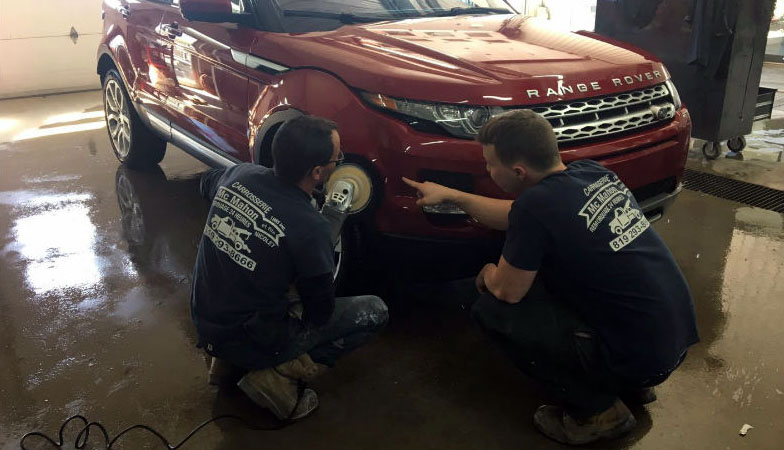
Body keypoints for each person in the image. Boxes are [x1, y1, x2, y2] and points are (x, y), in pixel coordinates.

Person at [403, 109, 698, 445]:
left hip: (643, 358)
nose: (487, 169)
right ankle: (630, 382)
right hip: (671, 340)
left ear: (517, 171)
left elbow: (507, 292)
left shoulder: (536, 206)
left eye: (490, 164)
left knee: (493, 311)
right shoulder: (590, 174)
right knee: (558, 280)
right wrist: (453, 195)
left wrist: (487, 273)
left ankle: (598, 413)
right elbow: (514, 215)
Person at [191, 115, 388, 421]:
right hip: (253, 338)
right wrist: (319, 241)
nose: (340, 162)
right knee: (375, 311)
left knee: (272, 283)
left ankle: (226, 363)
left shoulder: (239, 174)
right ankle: (276, 376)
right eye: (338, 158)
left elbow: (206, 183)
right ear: (319, 172)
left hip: (205, 320)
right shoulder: (310, 229)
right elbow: (319, 314)